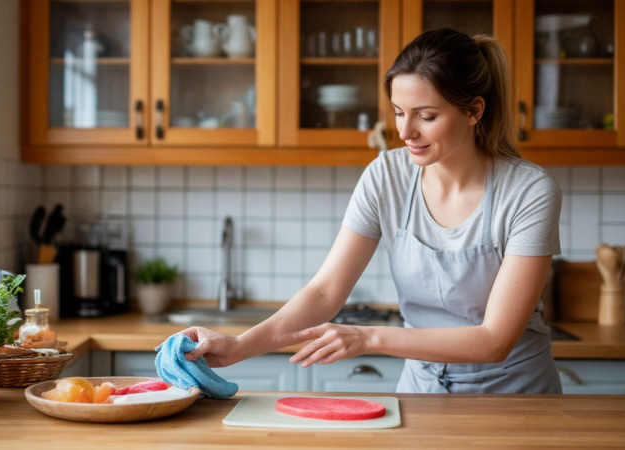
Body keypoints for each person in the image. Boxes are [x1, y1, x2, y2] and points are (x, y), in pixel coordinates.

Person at [181, 28, 563, 394]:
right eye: (399, 112)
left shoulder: (529, 192)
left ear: (473, 110)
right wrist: (239, 346)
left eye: (426, 116)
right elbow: (325, 291)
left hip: (517, 395)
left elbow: (493, 340)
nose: (405, 132)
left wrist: (369, 337)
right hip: (424, 391)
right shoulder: (386, 175)